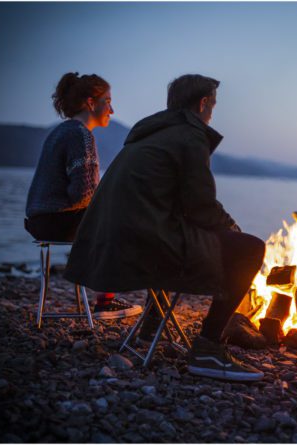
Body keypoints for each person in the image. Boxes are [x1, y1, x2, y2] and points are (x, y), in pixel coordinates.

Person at [64, 74, 266, 382]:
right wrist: (232, 228)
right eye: (212, 104)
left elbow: (176, 204)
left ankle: (149, 328)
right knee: (249, 249)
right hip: (142, 247)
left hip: (107, 246)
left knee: (179, 231)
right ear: (202, 104)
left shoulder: (151, 133)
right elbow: (200, 206)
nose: (212, 111)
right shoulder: (189, 136)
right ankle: (209, 349)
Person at [25, 72, 141, 320]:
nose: (112, 109)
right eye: (108, 101)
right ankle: (106, 302)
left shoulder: (61, 131)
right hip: (57, 220)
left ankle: (104, 295)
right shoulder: (81, 135)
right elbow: (82, 194)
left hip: (40, 220)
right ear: (91, 102)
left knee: (111, 216)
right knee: (120, 221)